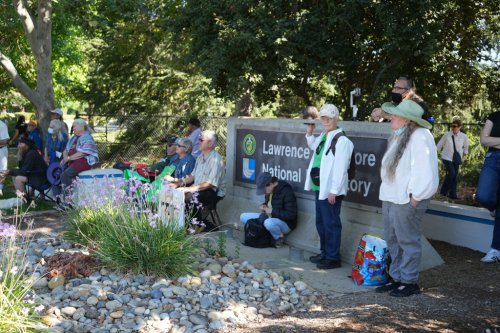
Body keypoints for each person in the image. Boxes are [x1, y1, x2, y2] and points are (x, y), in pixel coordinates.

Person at [374, 100, 438, 297]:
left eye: (395, 114)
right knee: (393, 239)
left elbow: (425, 170)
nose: (391, 117)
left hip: (408, 199)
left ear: (407, 120)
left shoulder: (420, 136)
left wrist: (416, 198)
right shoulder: (399, 135)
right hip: (392, 197)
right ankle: (397, 277)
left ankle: (409, 281)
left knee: (407, 240)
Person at [304, 104, 354, 269]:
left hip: (330, 190)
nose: (326, 121)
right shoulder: (325, 135)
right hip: (320, 187)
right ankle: (325, 252)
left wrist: (334, 190)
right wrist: (309, 134)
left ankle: (333, 257)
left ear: (335, 119)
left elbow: (341, 169)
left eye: (329, 118)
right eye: (323, 118)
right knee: (321, 222)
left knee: (331, 223)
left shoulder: (341, 140)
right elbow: (314, 148)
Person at [169, 130, 225, 230]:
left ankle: (200, 225)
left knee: (190, 197)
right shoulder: (200, 157)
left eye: (201, 139)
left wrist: (189, 189)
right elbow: (192, 176)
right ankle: (181, 223)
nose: (198, 141)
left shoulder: (216, 159)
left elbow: (210, 184)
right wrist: (179, 183)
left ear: (210, 144)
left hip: (212, 192)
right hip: (200, 188)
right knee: (174, 191)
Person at [239, 172, 298, 247]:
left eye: (264, 190)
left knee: (268, 223)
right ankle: (266, 233)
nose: (264, 193)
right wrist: (264, 206)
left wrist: (272, 211)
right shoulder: (269, 190)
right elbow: (270, 203)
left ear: (270, 184)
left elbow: (291, 215)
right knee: (243, 216)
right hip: (269, 217)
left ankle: (279, 238)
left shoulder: (286, 191)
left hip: (285, 223)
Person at [475, 111, 500, 263]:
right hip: (493, 159)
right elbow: (483, 140)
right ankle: (494, 208)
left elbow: (489, 139)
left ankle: (495, 249)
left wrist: (494, 141)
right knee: (483, 196)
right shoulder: (495, 116)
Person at [59, 118, 98, 200]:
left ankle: (68, 201)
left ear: (82, 127)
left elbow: (83, 153)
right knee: (62, 175)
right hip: (73, 161)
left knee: (65, 175)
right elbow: (66, 150)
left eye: (74, 126)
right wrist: (65, 157)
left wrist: (69, 158)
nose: (73, 129)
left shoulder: (87, 138)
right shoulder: (74, 138)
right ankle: (66, 200)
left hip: (84, 161)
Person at [436, 117, 469, 199]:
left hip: (457, 159)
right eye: (452, 126)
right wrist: (434, 154)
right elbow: (439, 145)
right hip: (447, 157)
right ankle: (443, 192)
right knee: (452, 173)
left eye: (455, 126)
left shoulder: (463, 136)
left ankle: (452, 194)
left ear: (460, 127)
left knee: (454, 176)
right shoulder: (447, 135)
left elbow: (466, 148)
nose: (453, 128)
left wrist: (463, 158)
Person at [0, 119, 10, 196]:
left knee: (2, 170)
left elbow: (5, 141)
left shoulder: (2, 125)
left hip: (1, 150)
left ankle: (0, 187)